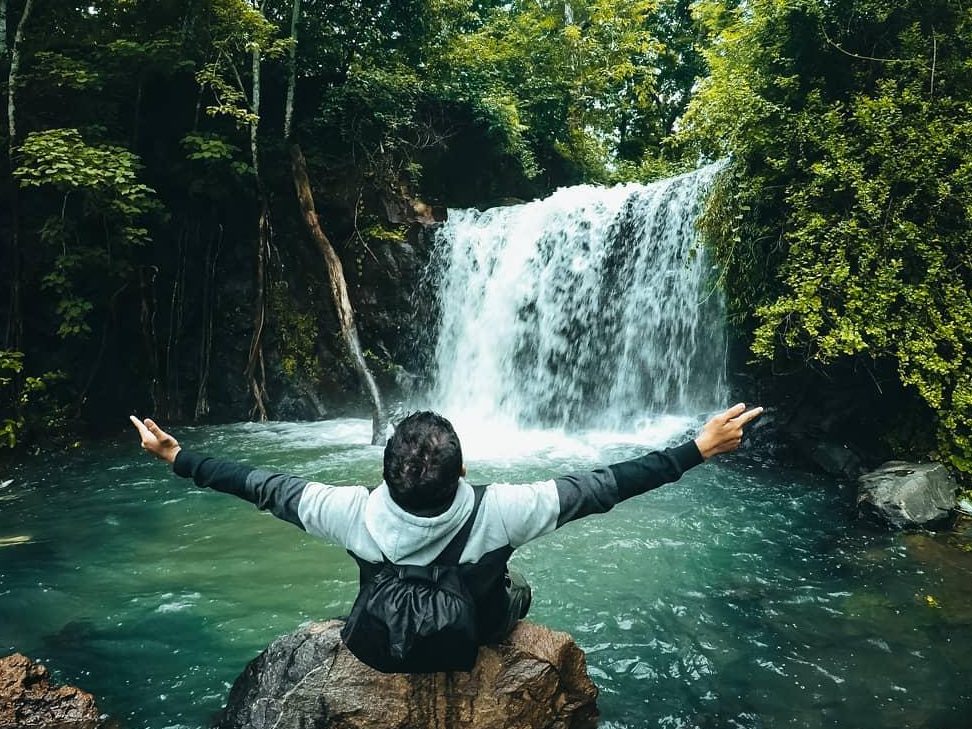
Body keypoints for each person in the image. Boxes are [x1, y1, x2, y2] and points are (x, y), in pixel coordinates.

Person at [130, 404, 761, 668]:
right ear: (462, 469)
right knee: (519, 588)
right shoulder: (503, 510)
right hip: (475, 634)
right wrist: (697, 448)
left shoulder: (348, 511)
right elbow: (601, 487)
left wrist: (178, 456)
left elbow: (261, 485)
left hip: (375, 642)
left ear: (383, 472)